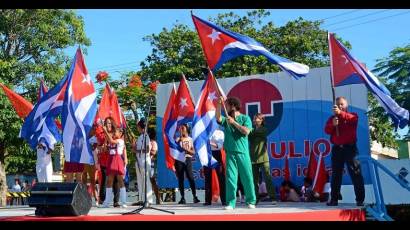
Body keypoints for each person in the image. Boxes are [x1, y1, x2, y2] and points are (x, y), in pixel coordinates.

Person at [216, 96, 256, 210]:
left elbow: (246, 131)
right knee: (230, 178)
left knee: (247, 177)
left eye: (227, 105)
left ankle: (251, 201)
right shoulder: (226, 119)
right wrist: (219, 104)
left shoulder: (245, 118)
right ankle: (230, 203)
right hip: (230, 152)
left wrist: (234, 123)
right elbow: (218, 118)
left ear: (233, 106)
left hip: (242, 152)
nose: (226, 107)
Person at [324, 96, 365, 207]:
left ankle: (360, 200)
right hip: (337, 149)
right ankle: (334, 199)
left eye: (342, 104)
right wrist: (333, 124)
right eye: (338, 104)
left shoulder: (352, 116)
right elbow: (327, 130)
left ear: (346, 105)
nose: (340, 106)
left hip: (350, 148)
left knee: (355, 173)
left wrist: (341, 114)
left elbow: (353, 120)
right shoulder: (332, 119)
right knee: (336, 175)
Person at [249, 113, 277, 204]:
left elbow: (251, 132)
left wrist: (247, 130)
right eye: (253, 118)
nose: (254, 120)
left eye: (256, 118)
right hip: (253, 158)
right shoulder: (252, 130)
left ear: (261, 120)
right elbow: (247, 134)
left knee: (267, 178)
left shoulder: (263, 129)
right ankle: (255, 199)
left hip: (263, 158)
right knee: (254, 181)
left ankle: (273, 198)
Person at [100, 125, 128, 208]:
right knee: (109, 181)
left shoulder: (120, 141)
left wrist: (105, 131)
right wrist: (105, 139)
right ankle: (107, 202)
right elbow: (105, 149)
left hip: (117, 160)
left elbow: (112, 141)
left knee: (120, 180)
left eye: (115, 131)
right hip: (111, 160)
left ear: (120, 133)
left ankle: (123, 202)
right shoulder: (112, 140)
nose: (113, 133)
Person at [174, 123, 200, 204]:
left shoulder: (190, 139)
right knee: (180, 179)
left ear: (187, 129)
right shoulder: (178, 139)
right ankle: (182, 197)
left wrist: (186, 149)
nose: (181, 129)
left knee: (190, 177)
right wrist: (179, 141)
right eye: (181, 128)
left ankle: (195, 196)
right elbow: (174, 149)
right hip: (179, 160)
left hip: (187, 158)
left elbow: (193, 152)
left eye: (183, 128)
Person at [97, 117, 120, 207]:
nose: (108, 125)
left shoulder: (116, 133)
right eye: (106, 123)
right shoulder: (101, 135)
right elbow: (101, 148)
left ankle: (116, 201)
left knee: (115, 180)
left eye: (110, 123)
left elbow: (118, 144)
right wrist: (102, 147)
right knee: (105, 180)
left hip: (114, 160)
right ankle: (102, 199)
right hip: (104, 160)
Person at [203, 127, 226, 206]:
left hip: (216, 154)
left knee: (221, 177)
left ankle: (224, 200)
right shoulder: (205, 132)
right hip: (207, 154)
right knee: (208, 177)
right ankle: (207, 200)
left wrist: (209, 143)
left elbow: (219, 146)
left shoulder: (220, 133)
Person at [134, 120, 154, 205]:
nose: (137, 128)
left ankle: (148, 200)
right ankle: (142, 199)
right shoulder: (140, 137)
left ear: (140, 127)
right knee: (140, 180)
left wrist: (137, 150)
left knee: (146, 180)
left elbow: (147, 149)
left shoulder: (146, 137)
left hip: (144, 161)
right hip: (139, 160)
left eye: (138, 126)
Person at [84, 125, 100, 206]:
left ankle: (96, 198)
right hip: (85, 161)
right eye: (92, 129)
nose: (93, 130)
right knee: (84, 179)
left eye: (94, 129)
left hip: (93, 161)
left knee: (93, 180)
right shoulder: (84, 137)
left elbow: (94, 148)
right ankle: (85, 197)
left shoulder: (95, 138)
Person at [148, 128, 162, 205]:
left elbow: (154, 152)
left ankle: (158, 197)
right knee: (147, 181)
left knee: (152, 180)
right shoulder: (146, 142)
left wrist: (147, 151)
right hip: (144, 163)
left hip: (151, 162)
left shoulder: (153, 143)